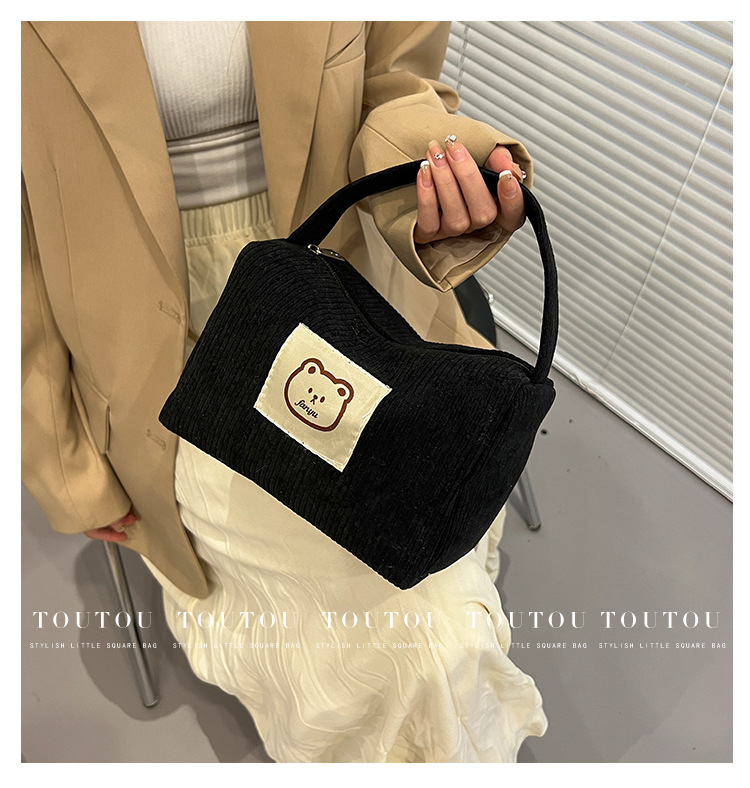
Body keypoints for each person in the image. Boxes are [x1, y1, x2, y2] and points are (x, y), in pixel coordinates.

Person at [22, 21, 547, 762]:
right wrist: (64, 463)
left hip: (348, 269)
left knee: (437, 630)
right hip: (146, 348)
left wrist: (440, 171)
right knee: (412, 646)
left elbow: (395, 83)